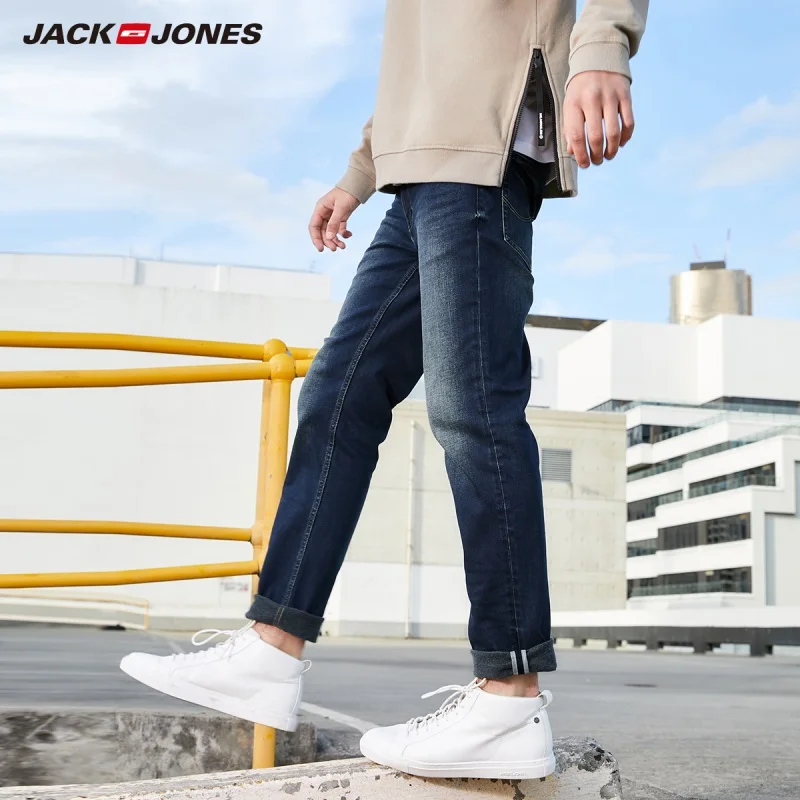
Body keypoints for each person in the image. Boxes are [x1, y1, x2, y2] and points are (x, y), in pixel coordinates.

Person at [121, 0, 648, 780]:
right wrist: (359, 174)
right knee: (338, 394)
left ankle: (509, 693)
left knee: (473, 412)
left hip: (483, 151)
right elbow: (419, 65)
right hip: (419, 177)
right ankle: (272, 646)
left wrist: (601, 46)